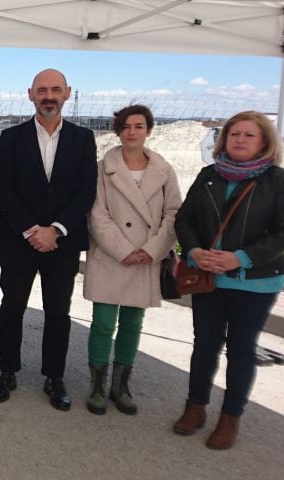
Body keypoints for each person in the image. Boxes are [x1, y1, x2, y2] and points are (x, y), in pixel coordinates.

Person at [172, 110, 284, 450]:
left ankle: (230, 417)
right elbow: (185, 220)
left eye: (249, 135)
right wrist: (195, 251)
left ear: (263, 142)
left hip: (254, 282)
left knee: (241, 350)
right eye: (234, 134)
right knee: (204, 346)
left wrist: (240, 258)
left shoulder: (279, 181)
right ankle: (195, 407)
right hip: (209, 280)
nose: (240, 140)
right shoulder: (208, 176)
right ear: (224, 140)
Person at [0, 68, 98, 411]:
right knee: (11, 308)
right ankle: (8, 372)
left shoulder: (84, 139)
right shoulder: (10, 137)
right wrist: (31, 230)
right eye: (41, 90)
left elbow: (86, 190)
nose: (48, 95)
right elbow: (2, 189)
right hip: (17, 240)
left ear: (67, 93)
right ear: (30, 94)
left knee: (58, 312)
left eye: (55, 89)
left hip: (62, 242)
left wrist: (56, 230)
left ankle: (55, 376)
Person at [82, 105, 181, 416]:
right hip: (113, 256)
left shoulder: (164, 170)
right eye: (126, 126)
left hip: (147, 257)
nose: (132, 131)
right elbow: (96, 213)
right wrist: (124, 250)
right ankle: (97, 385)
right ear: (118, 131)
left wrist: (152, 249)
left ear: (149, 130)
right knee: (102, 324)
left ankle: (121, 385)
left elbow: (174, 213)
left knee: (133, 324)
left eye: (139, 126)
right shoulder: (102, 168)